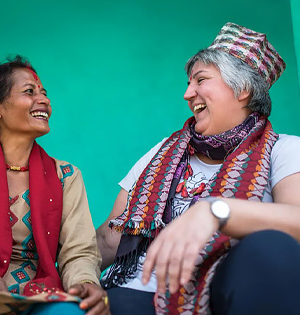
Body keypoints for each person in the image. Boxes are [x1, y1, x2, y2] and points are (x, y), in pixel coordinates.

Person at [97, 22, 300, 315]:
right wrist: (72, 272)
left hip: (220, 294)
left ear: (241, 88)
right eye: (188, 83)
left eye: (200, 80)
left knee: (270, 246)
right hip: (139, 294)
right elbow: (109, 237)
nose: (187, 94)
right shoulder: (162, 152)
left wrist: (214, 211)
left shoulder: (284, 150)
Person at [0, 56, 110, 315]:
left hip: (36, 298)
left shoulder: (66, 177)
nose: (44, 100)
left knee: (71, 312)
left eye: (44, 93)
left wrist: (85, 284)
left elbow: (78, 253)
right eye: (30, 92)